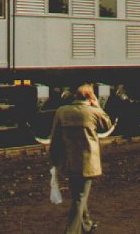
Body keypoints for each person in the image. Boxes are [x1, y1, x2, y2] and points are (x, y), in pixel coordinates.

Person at [49, 84, 112, 234]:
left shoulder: (61, 111)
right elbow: (107, 125)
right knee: (80, 198)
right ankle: (71, 231)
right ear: (91, 97)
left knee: (78, 195)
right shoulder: (93, 112)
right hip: (87, 163)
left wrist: (54, 160)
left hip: (68, 162)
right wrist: (98, 107)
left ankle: (87, 225)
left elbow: (55, 137)